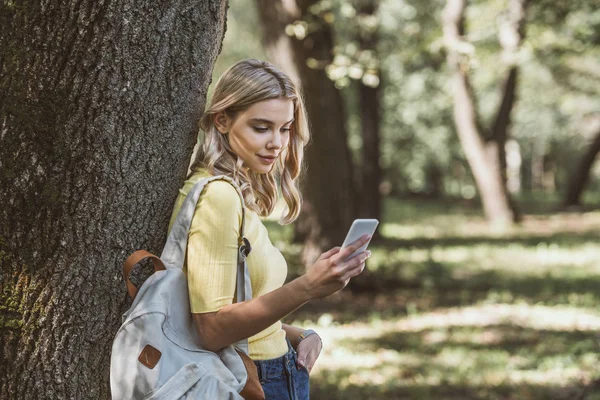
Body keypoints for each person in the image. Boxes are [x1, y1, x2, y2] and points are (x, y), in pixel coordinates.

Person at [167, 59, 371, 400]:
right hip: (252, 382)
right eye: (261, 128)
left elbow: (241, 310)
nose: (277, 143)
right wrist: (308, 287)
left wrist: (298, 335)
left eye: (285, 128)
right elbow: (211, 329)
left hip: (275, 371)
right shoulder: (218, 196)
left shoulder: (235, 192)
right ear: (223, 120)